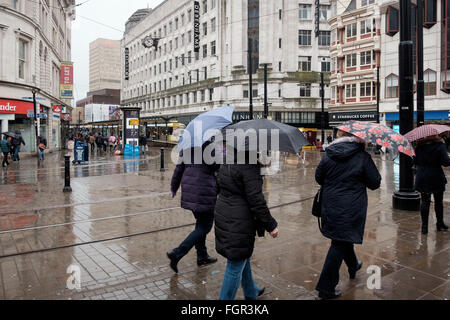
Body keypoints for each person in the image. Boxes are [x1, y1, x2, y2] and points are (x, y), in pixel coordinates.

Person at [315, 130, 381, 299]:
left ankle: (353, 264)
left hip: (330, 205)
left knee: (341, 238)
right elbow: (375, 183)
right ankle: (326, 287)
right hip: (352, 207)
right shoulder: (362, 156)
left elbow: (319, 177)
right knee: (339, 243)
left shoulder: (329, 154)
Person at [214, 150, 279, 300]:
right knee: (235, 266)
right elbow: (256, 200)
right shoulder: (249, 165)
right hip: (239, 219)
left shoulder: (228, 158)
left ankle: (251, 291)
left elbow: (220, 186)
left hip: (225, 213)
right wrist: (271, 225)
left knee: (241, 255)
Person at [168, 143, 219, 273]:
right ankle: (178, 252)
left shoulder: (186, 147)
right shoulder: (210, 147)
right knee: (205, 227)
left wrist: (174, 187)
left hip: (190, 191)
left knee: (200, 225)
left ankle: (202, 256)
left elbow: (178, 169)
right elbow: (217, 166)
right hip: (204, 192)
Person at [414, 135, 450, 234]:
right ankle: (440, 223)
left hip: (422, 176)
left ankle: (424, 227)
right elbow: (446, 162)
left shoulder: (419, 146)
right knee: (438, 201)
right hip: (436, 176)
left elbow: (415, 161)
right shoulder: (440, 146)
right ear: (434, 135)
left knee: (425, 202)